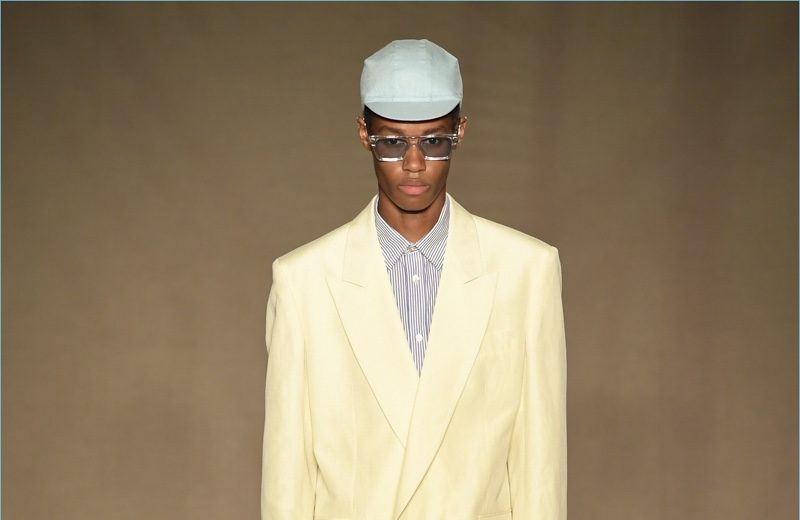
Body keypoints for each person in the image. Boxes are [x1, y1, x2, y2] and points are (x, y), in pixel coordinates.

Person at [261, 39, 566, 520]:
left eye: (433, 141)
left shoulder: (526, 272)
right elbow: (287, 479)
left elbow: (539, 471)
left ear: (460, 133)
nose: (414, 163)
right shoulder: (304, 283)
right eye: (393, 142)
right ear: (364, 134)